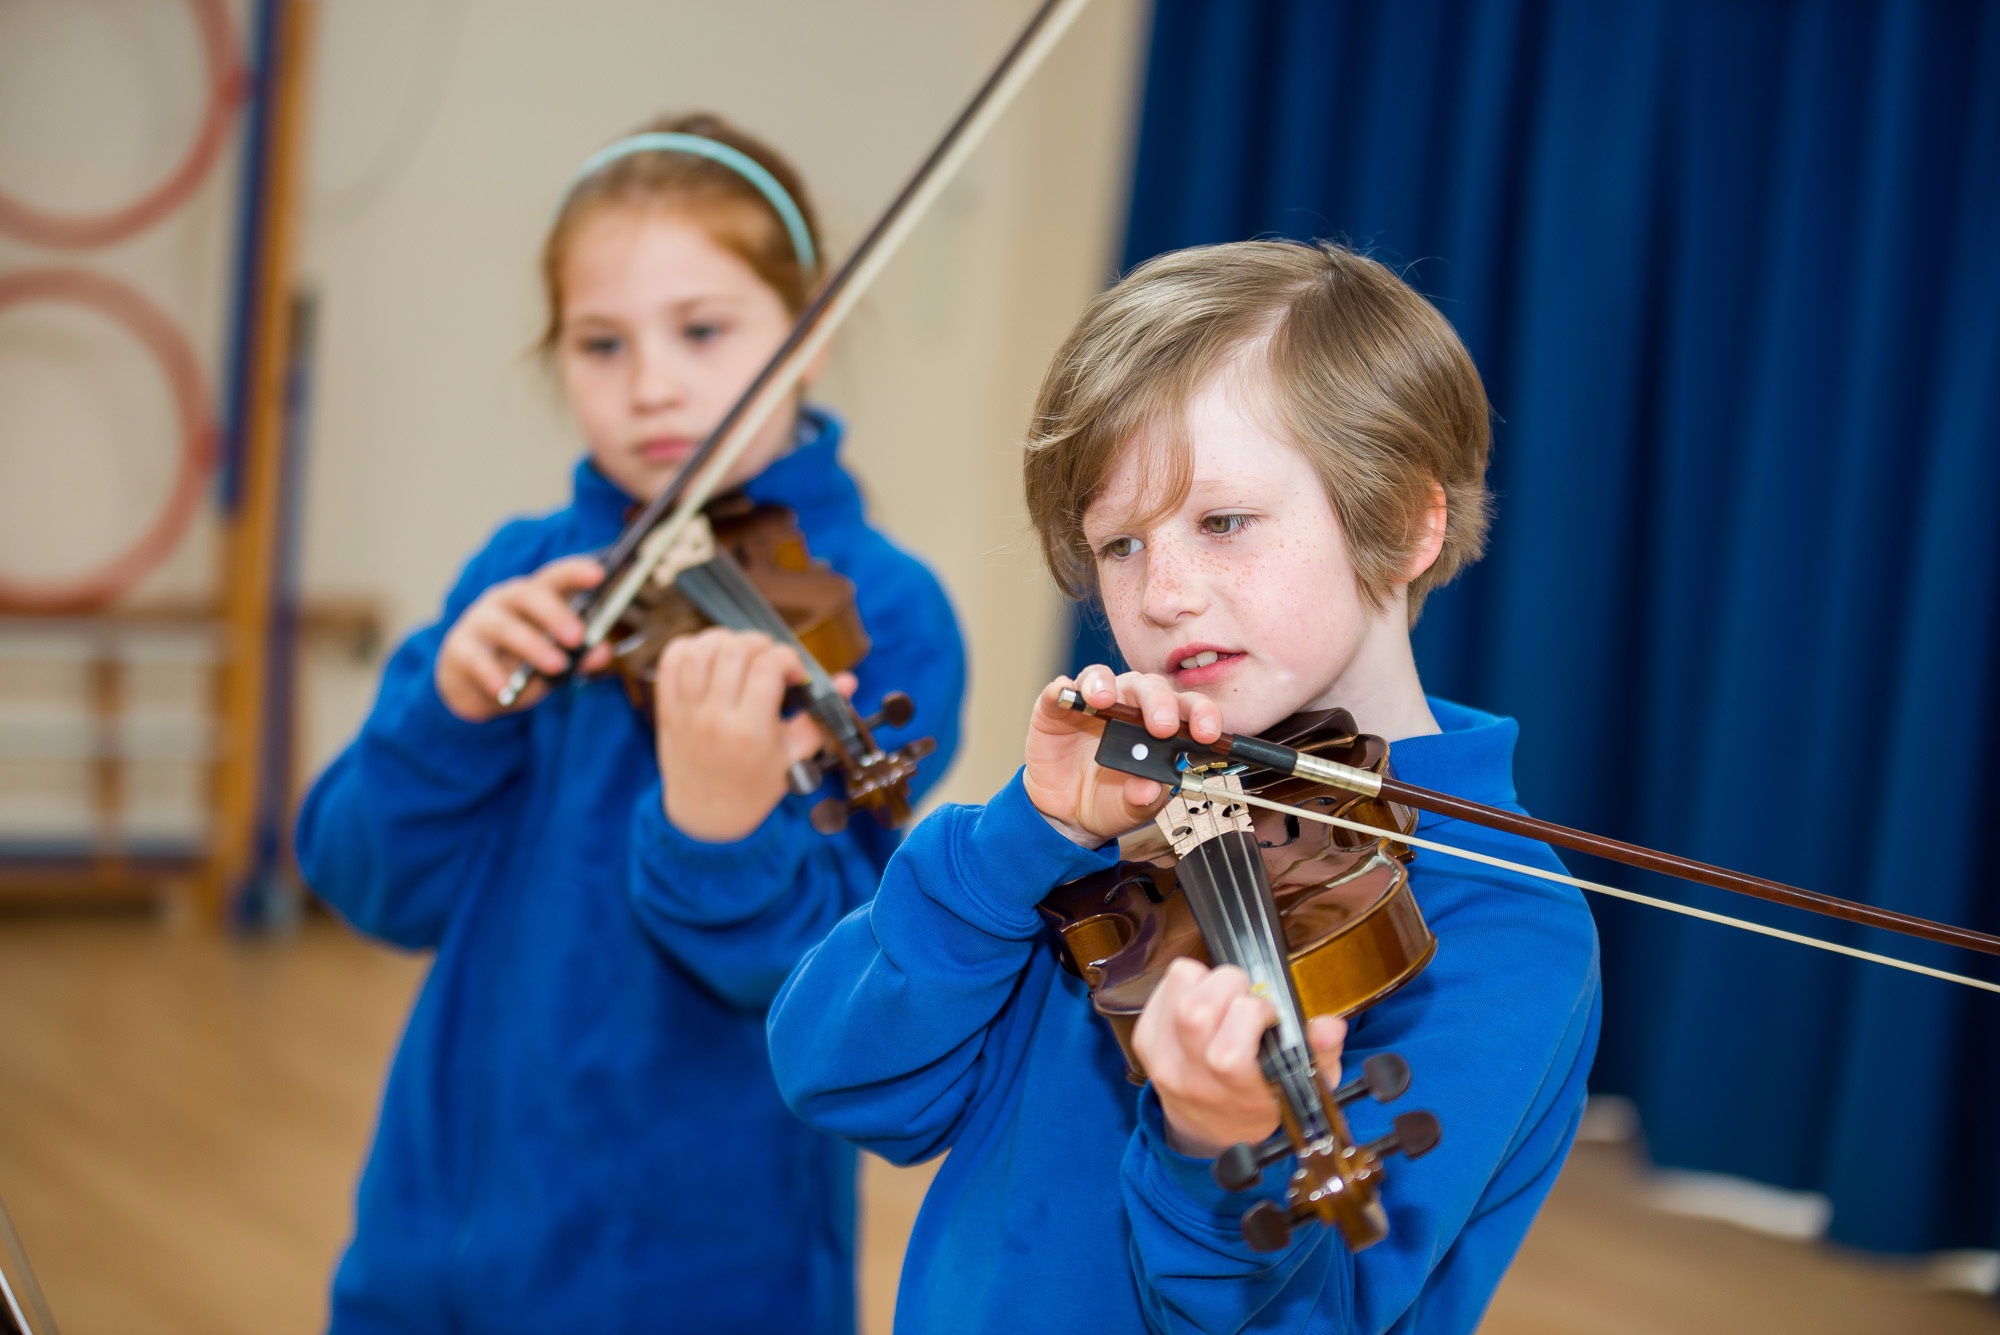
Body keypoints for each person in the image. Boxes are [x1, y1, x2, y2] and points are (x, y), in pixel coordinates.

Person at [768, 240, 1601, 1334]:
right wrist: (1023, 833)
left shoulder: (1500, 924)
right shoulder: (1118, 816)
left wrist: (1218, 1153)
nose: (1159, 595)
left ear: (1403, 522)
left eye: (1221, 522)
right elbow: (844, 1080)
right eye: (1118, 544)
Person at [297, 112, 965, 1334]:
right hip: (430, 1243)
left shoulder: (879, 618)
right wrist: (446, 712)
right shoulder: (527, 575)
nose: (651, 384)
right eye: (600, 343)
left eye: (703, 332)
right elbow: (363, 880)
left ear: (806, 332)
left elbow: (827, 977)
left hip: (700, 1270)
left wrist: (722, 826)